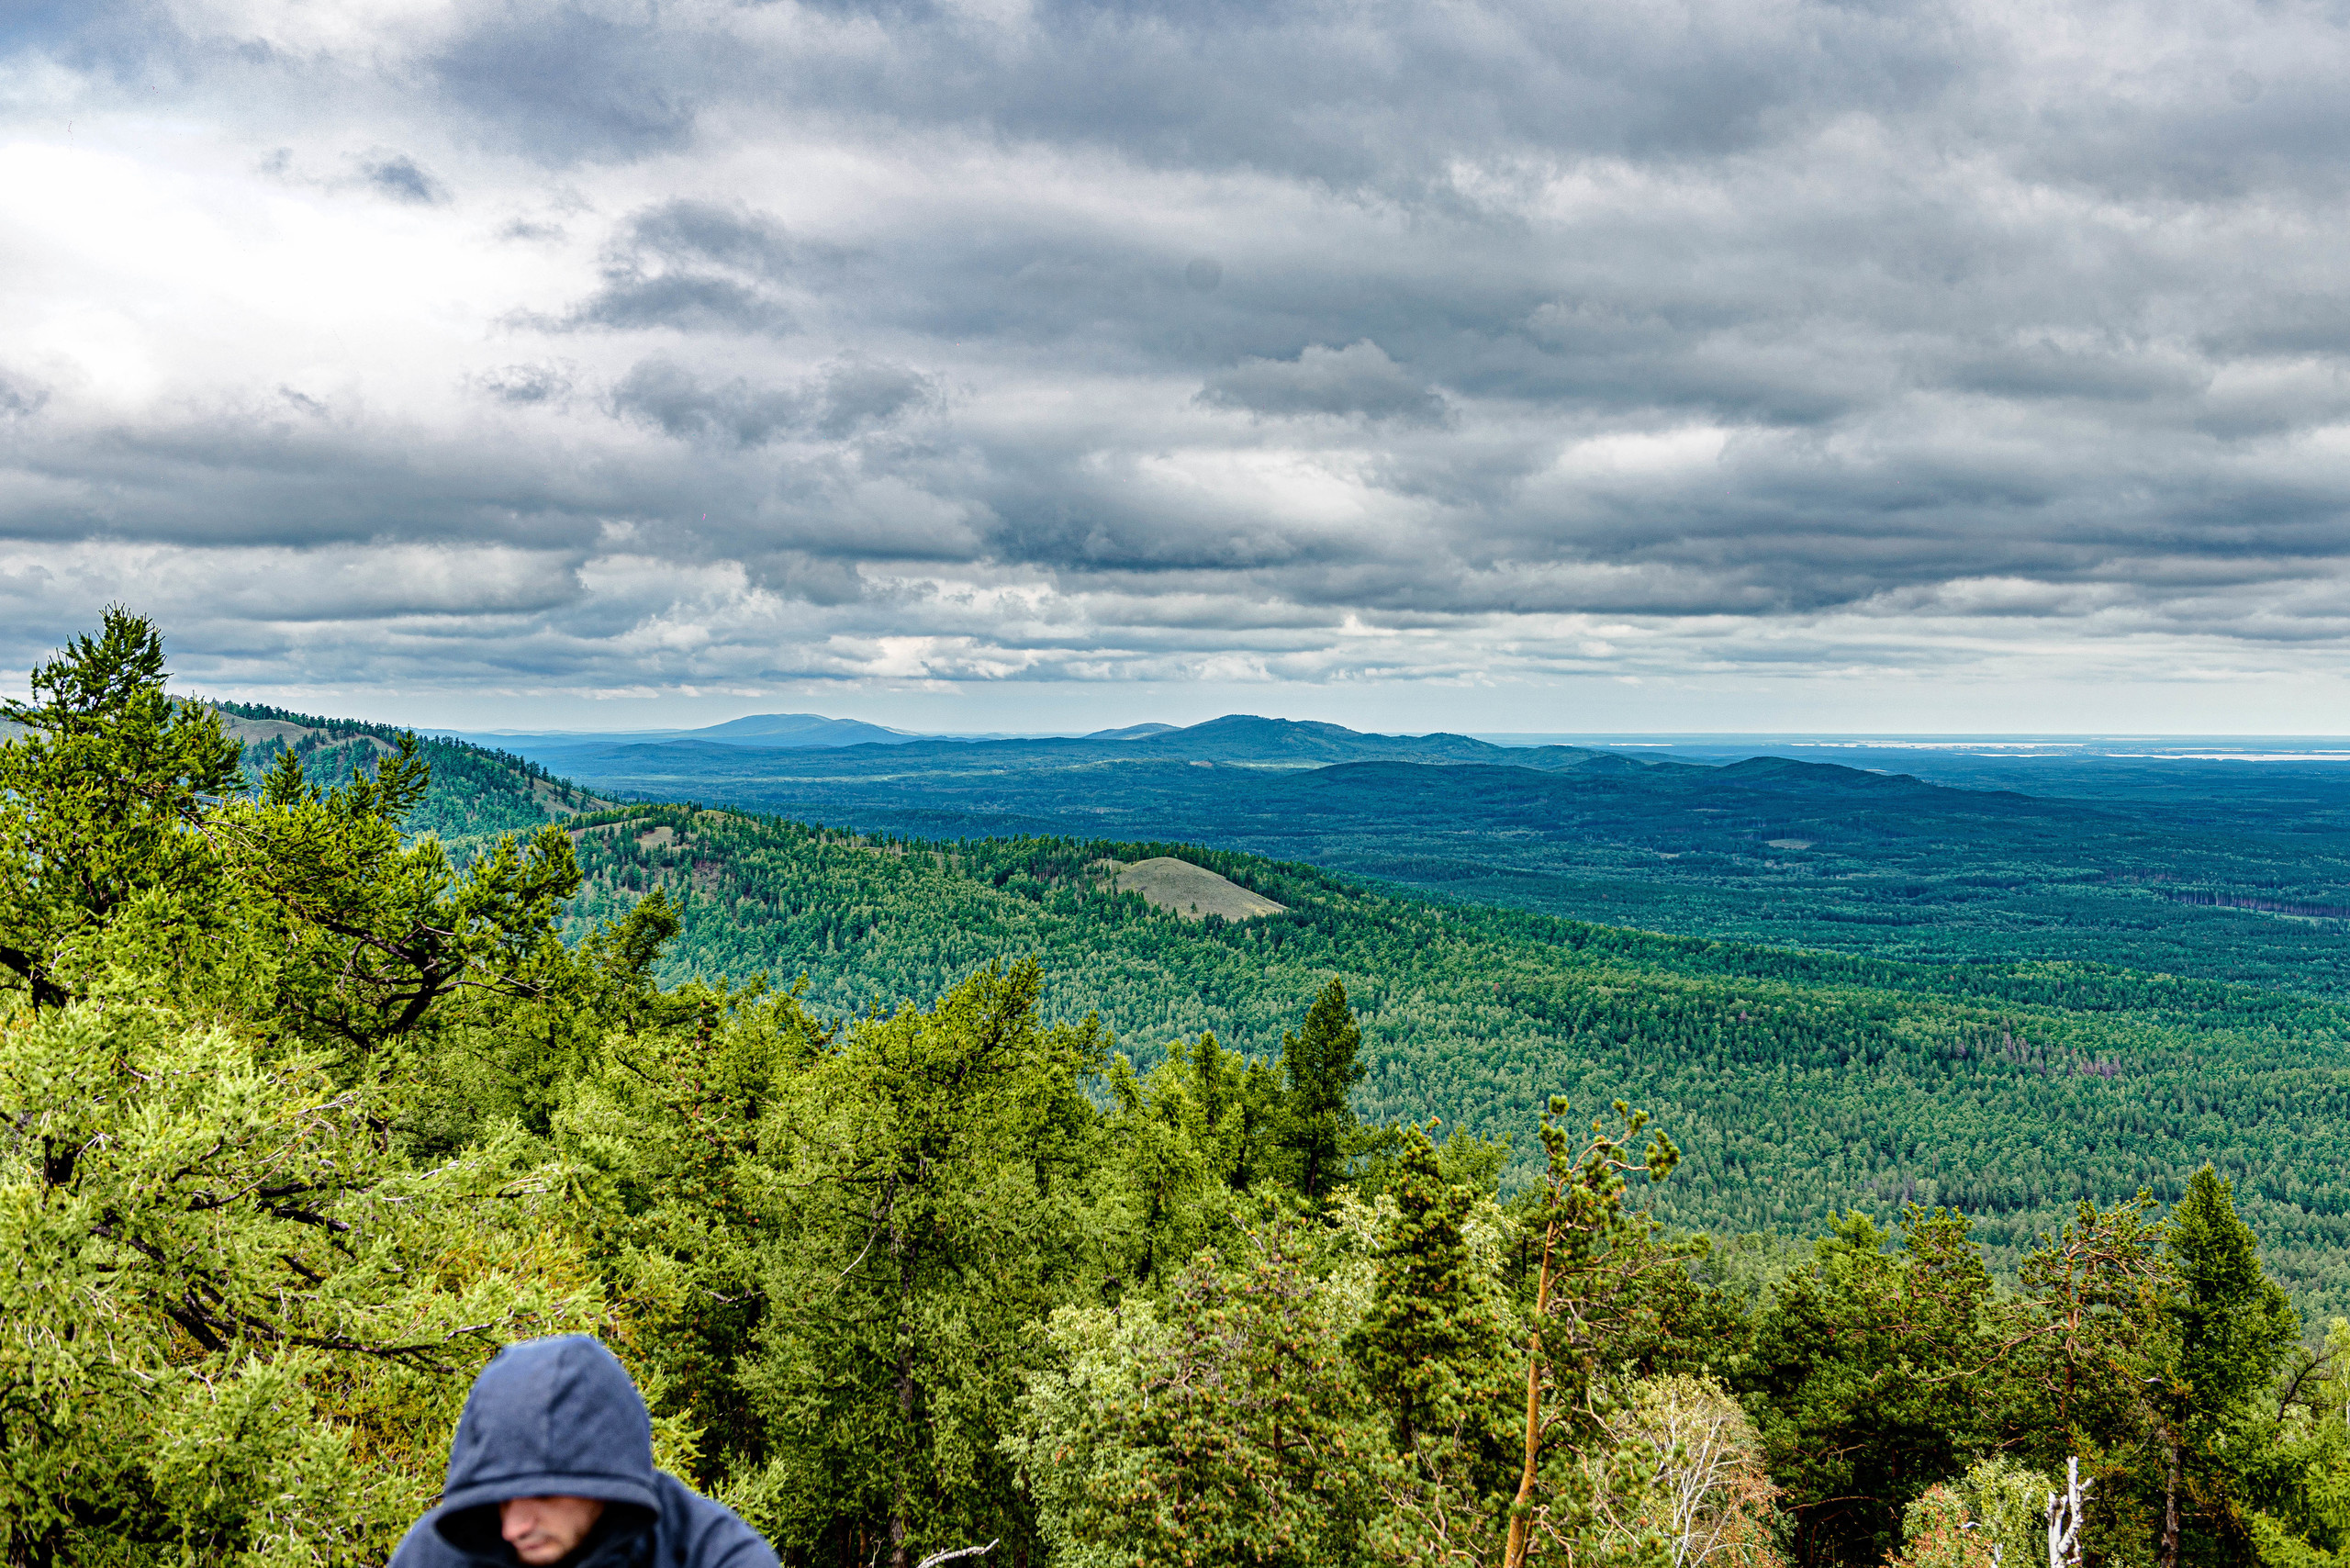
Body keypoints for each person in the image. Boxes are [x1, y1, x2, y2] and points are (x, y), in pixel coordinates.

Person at [392, 1335, 777, 1568]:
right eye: (502, 1500)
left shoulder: (712, 1556)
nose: (513, 1528)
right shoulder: (439, 1554)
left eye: (542, 1494)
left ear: (604, 1479)